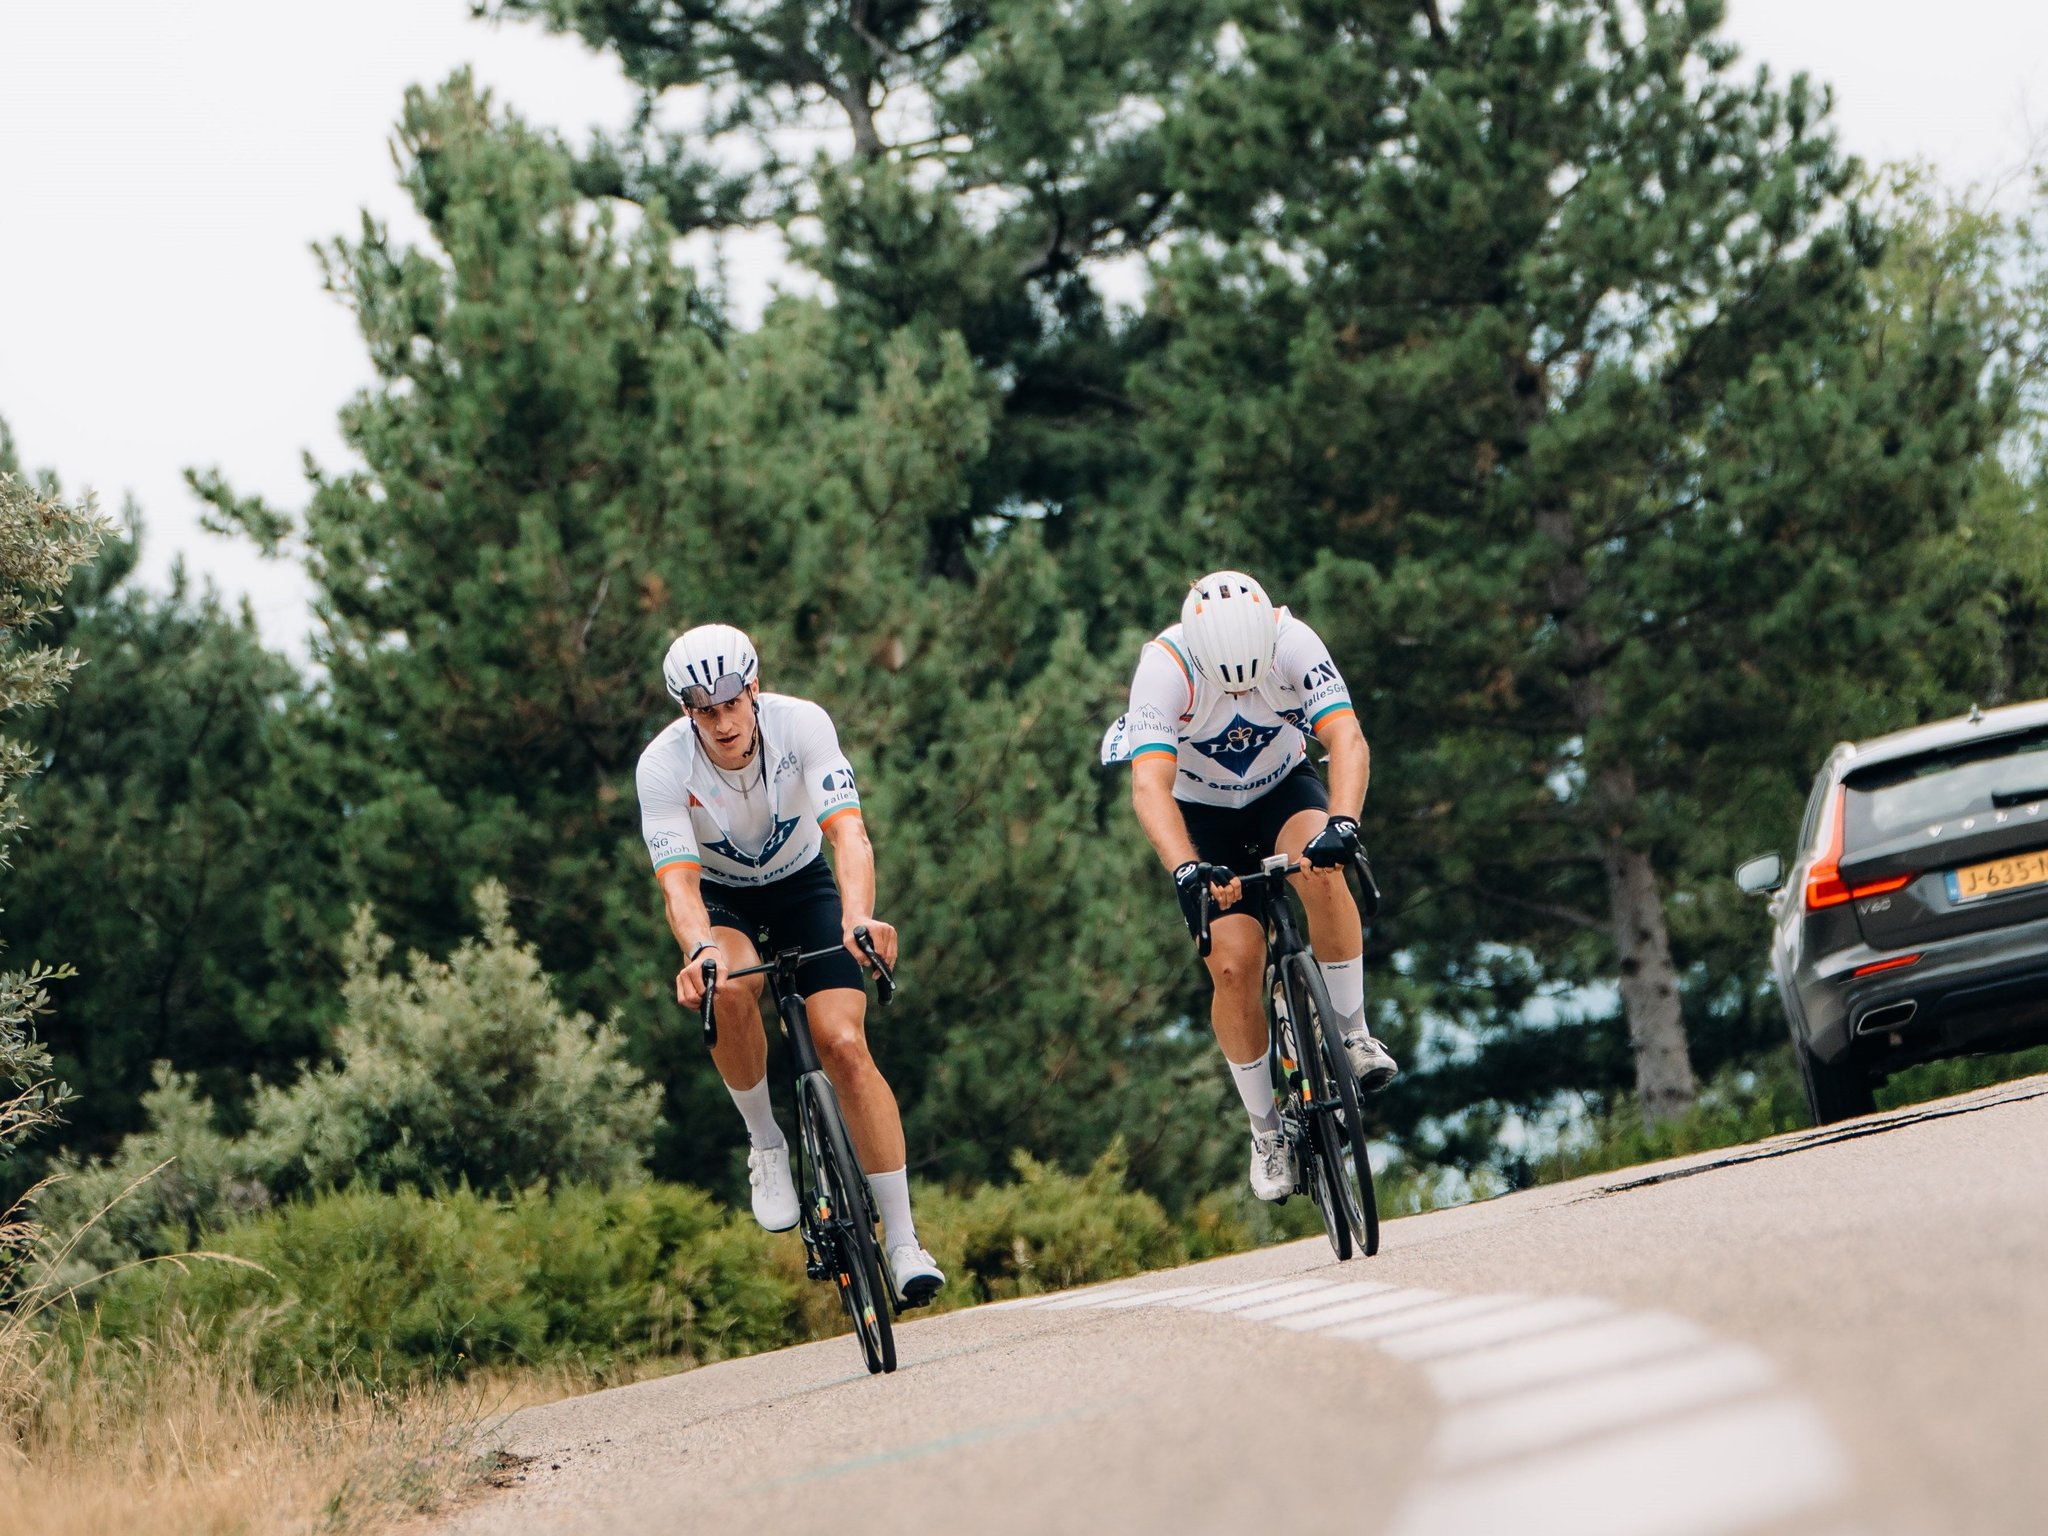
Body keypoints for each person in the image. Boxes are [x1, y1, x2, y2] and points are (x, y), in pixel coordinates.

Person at [636, 622, 944, 1306]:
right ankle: (766, 1141)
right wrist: (699, 950)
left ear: (753, 688)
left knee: (844, 1044)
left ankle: (902, 1243)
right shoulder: (662, 767)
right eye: (703, 710)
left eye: (730, 704)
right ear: (687, 710)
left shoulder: (802, 725)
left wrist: (858, 916)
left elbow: (848, 832)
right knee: (734, 986)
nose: (721, 722)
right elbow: (678, 885)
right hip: (725, 903)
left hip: (803, 883)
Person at [1108, 570, 1398, 1202]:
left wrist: (1344, 823)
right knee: (1235, 965)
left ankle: (1351, 1033)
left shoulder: (1293, 640)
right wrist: (1186, 868)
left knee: (1323, 871)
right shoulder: (1163, 668)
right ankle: (1265, 1128)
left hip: (1281, 790)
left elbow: (1345, 736)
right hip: (1202, 818)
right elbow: (1148, 786)